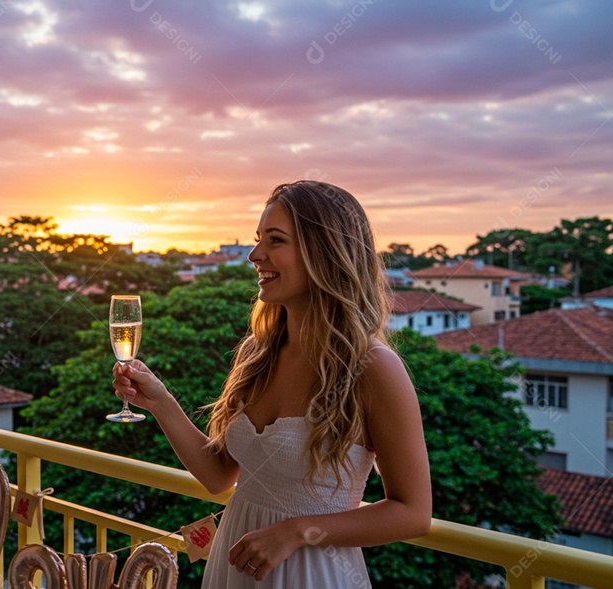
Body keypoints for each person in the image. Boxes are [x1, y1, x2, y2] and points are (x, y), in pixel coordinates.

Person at [112, 181, 431, 588]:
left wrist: (297, 531)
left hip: (313, 575)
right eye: (257, 239)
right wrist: (160, 402)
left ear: (326, 253)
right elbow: (218, 476)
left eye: (275, 240)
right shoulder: (259, 353)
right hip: (234, 570)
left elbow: (413, 513)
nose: (254, 255)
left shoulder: (372, 368)